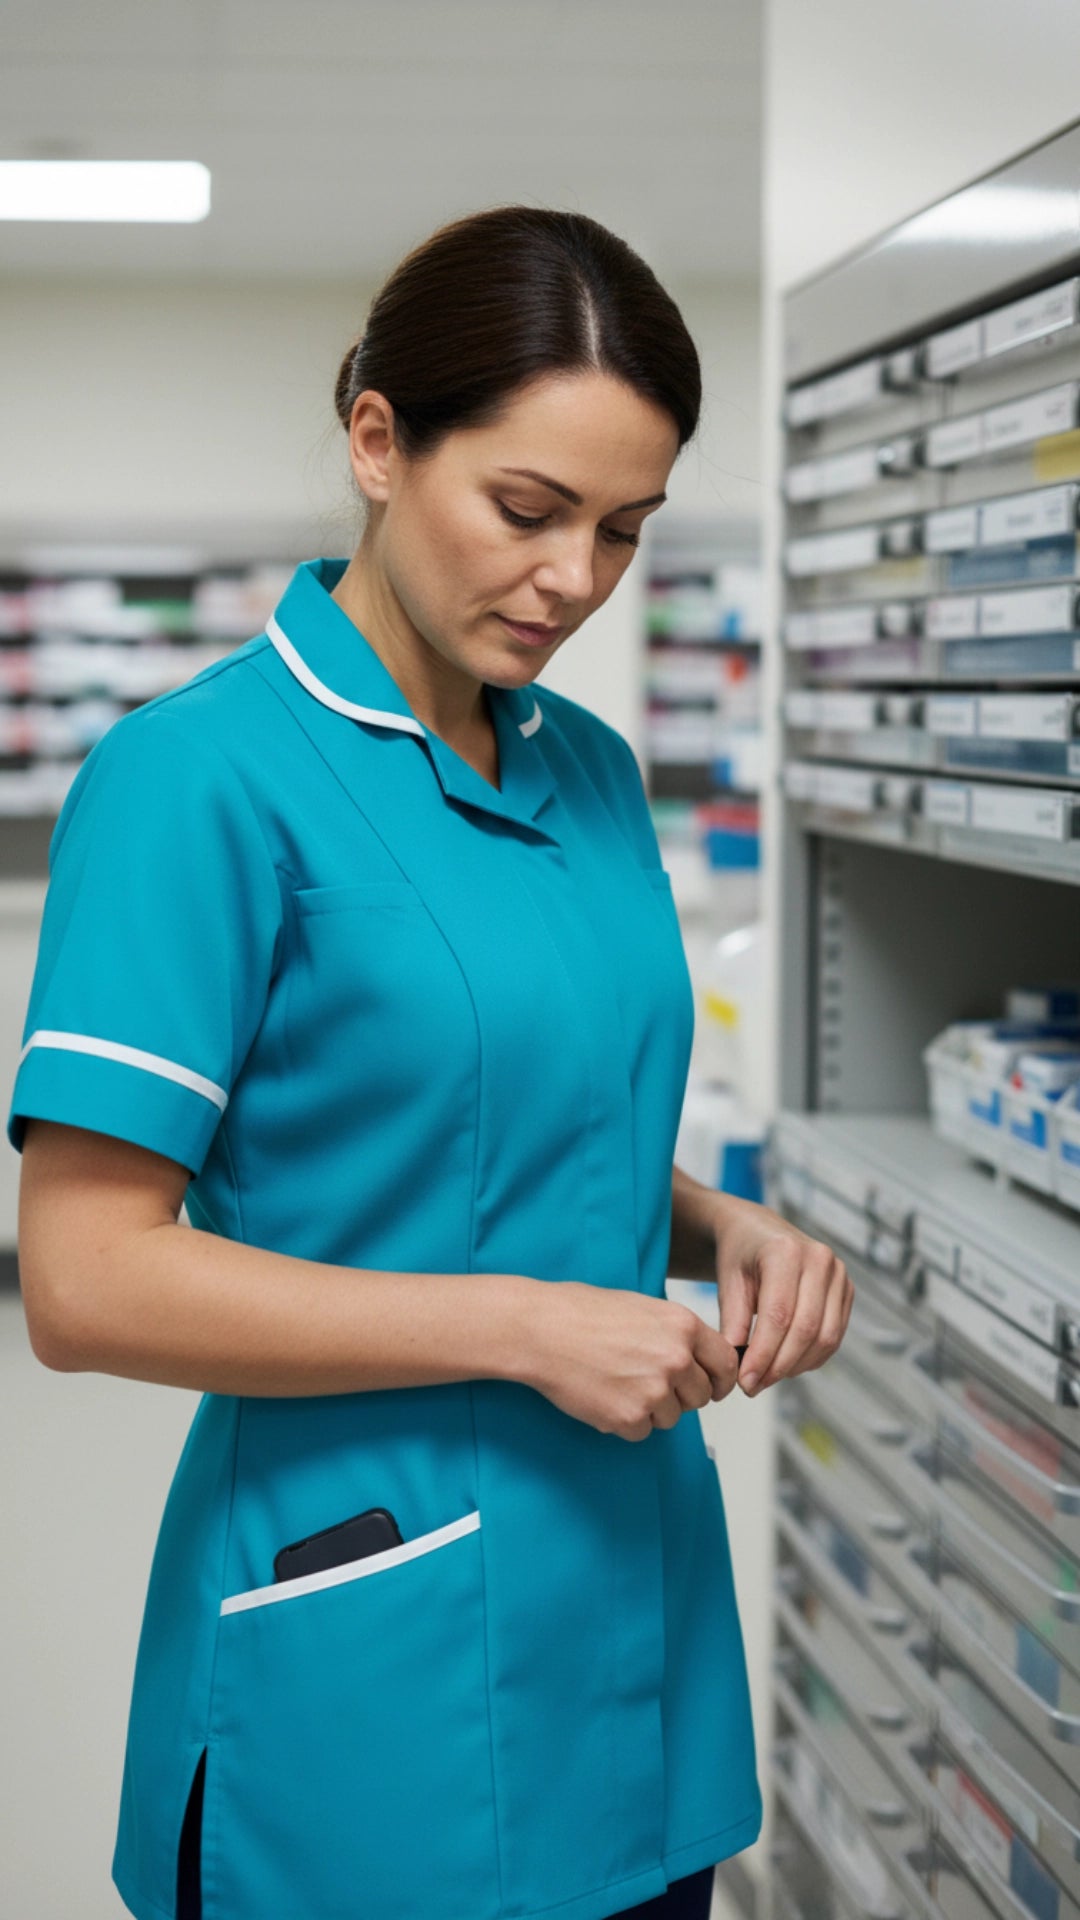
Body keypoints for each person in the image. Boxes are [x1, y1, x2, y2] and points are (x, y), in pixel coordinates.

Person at [11, 206, 852, 1920]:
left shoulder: (598, 777)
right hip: (367, 1647)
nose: (575, 581)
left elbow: (528, 1119)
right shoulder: (201, 781)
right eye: (528, 511)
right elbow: (83, 1280)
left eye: (625, 529)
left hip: (628, 1625)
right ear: (378, 441)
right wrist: (525, 1325)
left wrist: (720, 1227)